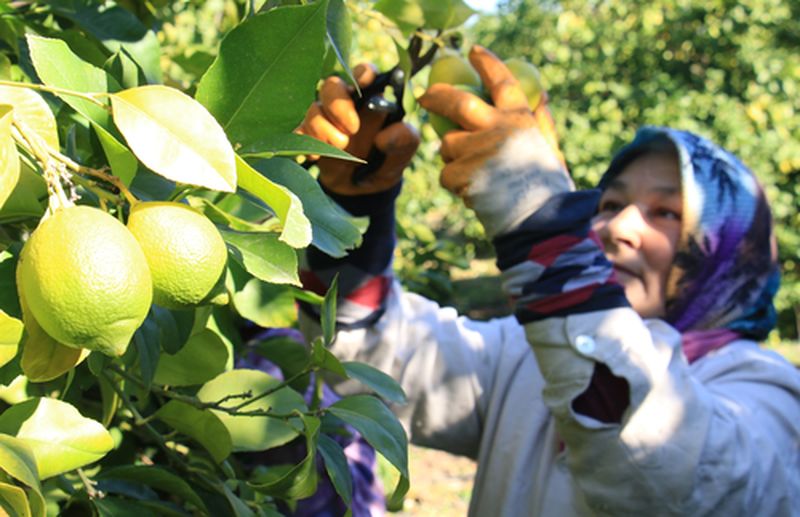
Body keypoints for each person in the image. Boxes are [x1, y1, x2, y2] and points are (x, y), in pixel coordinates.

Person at [296, 45, 800, 515]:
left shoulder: (768, 396)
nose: (618, 228)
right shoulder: (526, 355)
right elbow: (377, 356)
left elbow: (670, 475)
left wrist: (537, 214)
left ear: (729, 257)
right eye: (609, 204)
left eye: (665, 213)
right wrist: (350, 209)